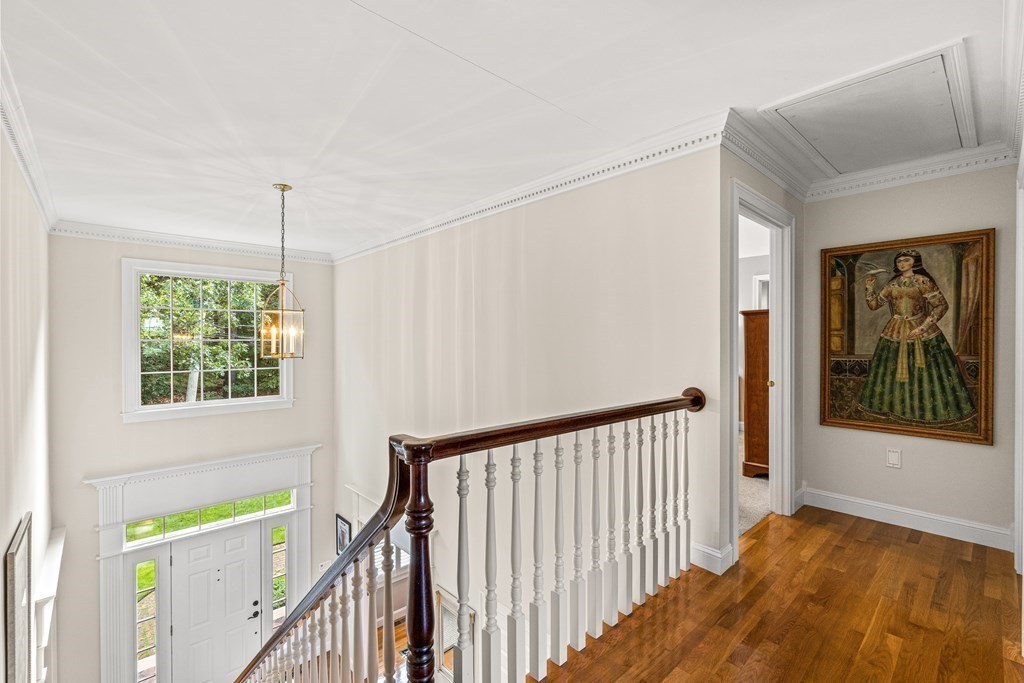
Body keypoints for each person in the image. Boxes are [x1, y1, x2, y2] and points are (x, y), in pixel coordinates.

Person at [859, 249, 974, 422]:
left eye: (906, 260)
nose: (902, 264)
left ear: (914, 262)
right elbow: (874, 305)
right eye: (899, 261)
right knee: (890, 372)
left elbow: (941, 306)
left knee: (929, 374)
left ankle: (927, 411)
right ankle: (896, 408)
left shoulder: (923, 281)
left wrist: (923, 327)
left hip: (921, 328)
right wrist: (869, 287)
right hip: (895, 330)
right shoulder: (893, 284)